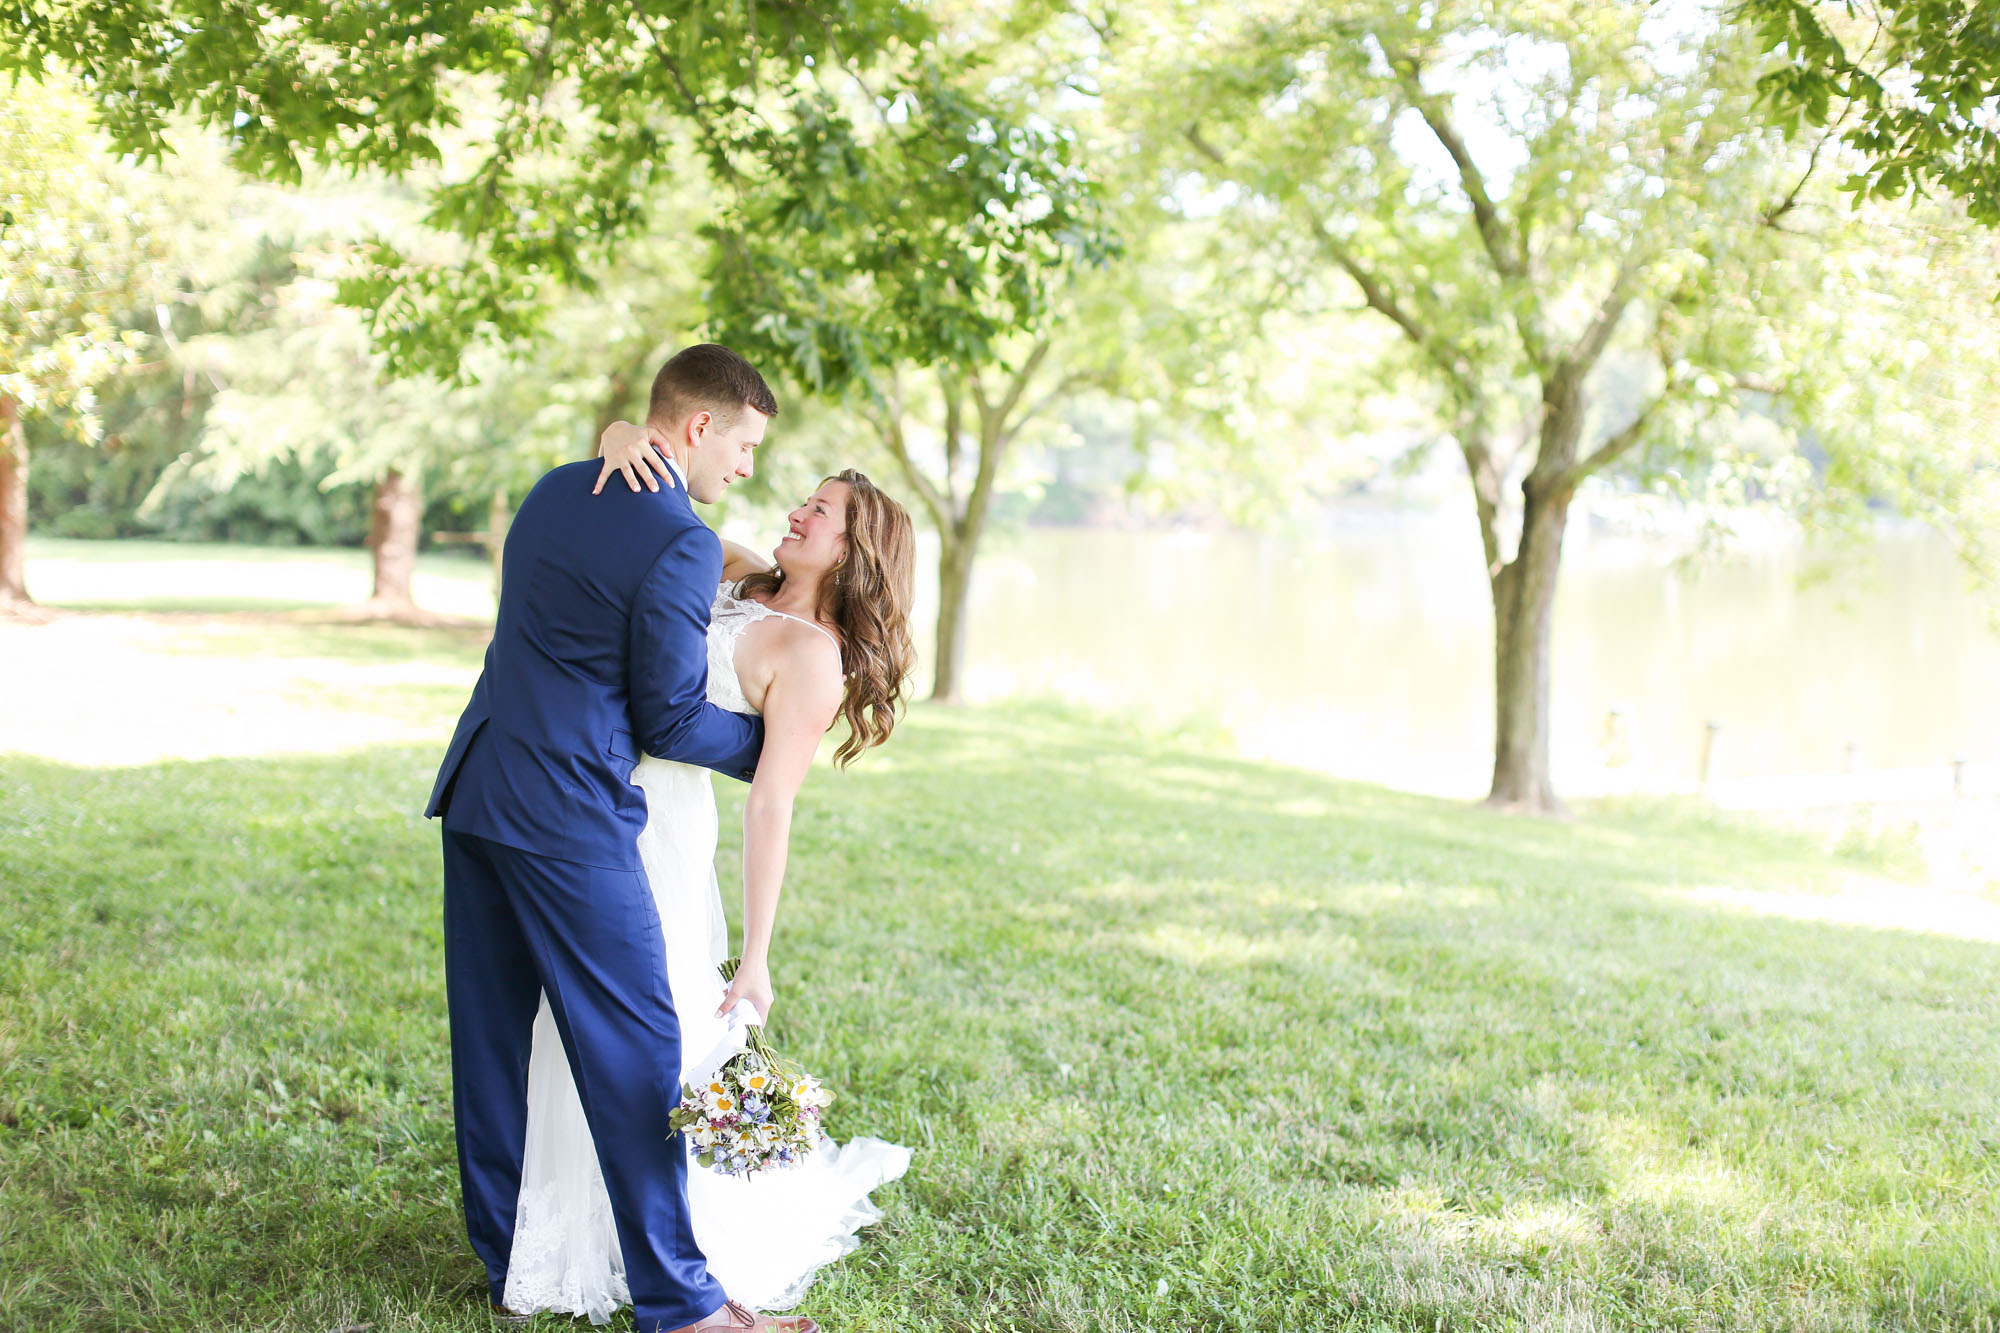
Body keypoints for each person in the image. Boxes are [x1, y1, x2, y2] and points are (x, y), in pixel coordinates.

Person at [427, 344, 815, 1333]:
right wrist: (770, 743)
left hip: (479, 791)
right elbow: (668, 720)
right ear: (696, 427)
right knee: (640, 1048)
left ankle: (505, 1260)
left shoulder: (557, 488)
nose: (745, 467)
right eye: (743, 443)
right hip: (568, 817)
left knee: (494, 1045)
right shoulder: (677, 542)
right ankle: (685, 1306)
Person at [497, 415, 919, 1322]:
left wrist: (758, 954)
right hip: (585, 793)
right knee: (564, 1019)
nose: (799, 512)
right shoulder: (732, 567)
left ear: (859, 554)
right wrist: (619, 435)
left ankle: (680, 1247)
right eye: (805, 499)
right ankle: (581, 1223)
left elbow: (772, 804)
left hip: (661, 829)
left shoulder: (813, 659)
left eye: (823, 512)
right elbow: (663, 508)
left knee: (653, 1030)